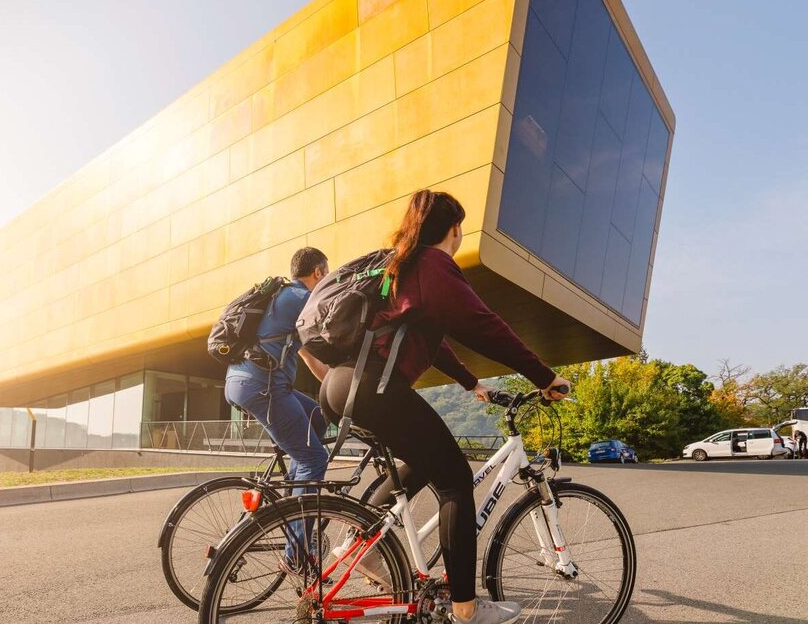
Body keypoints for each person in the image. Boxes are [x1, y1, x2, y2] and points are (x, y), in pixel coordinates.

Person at [319, 190, 570, 624]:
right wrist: (545, 377)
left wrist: (473, 384)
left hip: (341, 383)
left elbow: (434, 342)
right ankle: (465, 609)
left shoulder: (401, 263)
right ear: (453, 229)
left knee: (423, 460)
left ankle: (362, 546)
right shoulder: (433, 265)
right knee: (455, 479)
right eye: (460, 230)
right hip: (374, 386)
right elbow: (483, 325)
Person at [223, 246, 332, 575]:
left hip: (249, 382)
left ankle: (293, 498)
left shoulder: (284, 298)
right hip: (263, 387)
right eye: (326, 275)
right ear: (318, 273)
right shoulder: (302, 298)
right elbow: (334, 339)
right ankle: (295, 553)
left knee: (317, 419)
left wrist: (335, 384)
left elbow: (310, 356)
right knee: (314, 458)